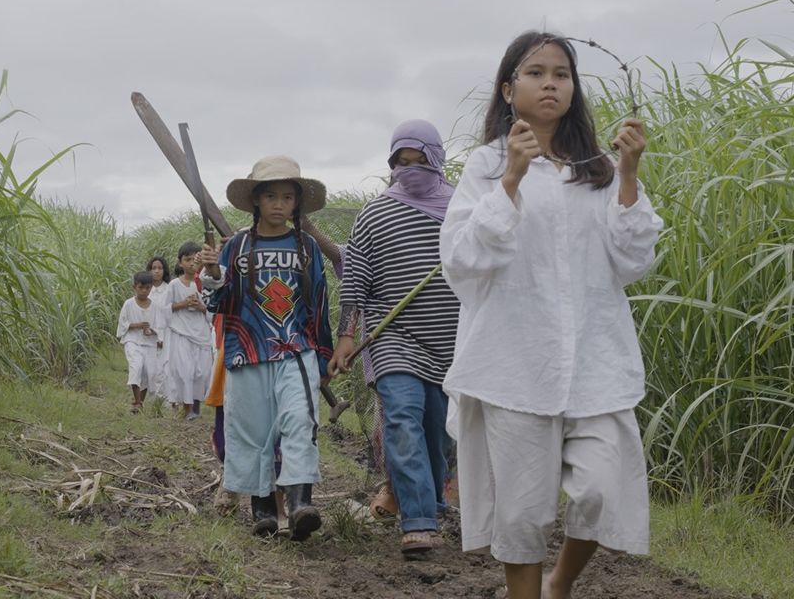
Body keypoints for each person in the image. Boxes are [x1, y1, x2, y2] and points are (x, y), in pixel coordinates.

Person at [439, 31, 663, 599]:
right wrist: (511, 179)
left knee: (601, 489)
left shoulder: (601, 169)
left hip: (596, 361)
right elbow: (462, 263)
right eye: (536, 73)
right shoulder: (487, 166)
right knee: (522, 509)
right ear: (509, 89)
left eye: (561, 74)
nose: (550, 83)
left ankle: (559, 584)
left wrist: (630, 174)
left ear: (574, 89)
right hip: (514, 363)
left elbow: (635, 261)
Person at [328, 119, 460, 559]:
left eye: (418, 161)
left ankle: (435, 501)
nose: (409, 169)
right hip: (392, 336)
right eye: (400, 163)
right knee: (403, 418)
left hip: (452, 342)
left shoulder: (463, 210)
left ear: (436, 159)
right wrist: (347, 334)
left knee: (439, 432)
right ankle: (419, 522)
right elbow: (357, 279)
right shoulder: (375, 213)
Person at [199, 155, 333, 541]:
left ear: (297, 204)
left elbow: (318, 303)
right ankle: (262, 511)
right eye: (271, 195)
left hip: (297, 350)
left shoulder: (306, 247)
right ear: (256, 200)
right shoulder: (236, 247)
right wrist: (212, 274)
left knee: (299, 421)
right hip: (247, 351)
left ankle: (299, 502)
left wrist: (323, 354)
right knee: (251, 430)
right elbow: (218, 305)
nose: (279, 204)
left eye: (288, 197)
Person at [164, 242, 214, 420]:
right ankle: (187, 410)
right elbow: (164, 309)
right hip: (181, 333)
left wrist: (201, 306)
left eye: (195, 259)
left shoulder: (207, 284)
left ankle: (196, 409)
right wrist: (183, 304)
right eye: (187, 259)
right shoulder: (174, 285)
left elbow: (213, 311)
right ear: (180, 263)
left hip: (201, 333)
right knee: (185, 371)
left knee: (201, 372)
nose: (192, 263)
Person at [116, 270, 162, 413]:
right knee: (136, 367)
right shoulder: (129, 304)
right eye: (141, 287)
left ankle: (140, 401)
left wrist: (154, 333)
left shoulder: (154, 306)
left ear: (151, 288)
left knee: (149, 372)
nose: (144, 291)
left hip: (149, 343)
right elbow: (122, 323)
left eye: (147, 288)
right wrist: (137, 325)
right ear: (134, 287)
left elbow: (159, 326)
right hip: (133, 341)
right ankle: (136, 401)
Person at [146, 256, 172, 401]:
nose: (156, 271)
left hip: (165, 333)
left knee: (165, 367)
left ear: (164, 270)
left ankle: (165, 400)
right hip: (148, 334)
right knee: (150, 367)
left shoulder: (169, 290)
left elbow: (169, 315)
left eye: (159, 268)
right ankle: (153, 398)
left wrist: (161, 336)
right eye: (153, 268)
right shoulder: (145, 290)